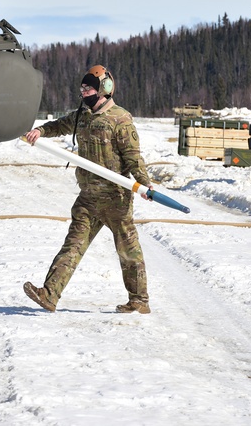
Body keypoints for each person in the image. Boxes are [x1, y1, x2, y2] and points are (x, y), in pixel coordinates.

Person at [23, 64, 154, 314]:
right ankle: (49, 295)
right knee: (73, 245)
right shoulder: (81, 115)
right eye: (82, 88)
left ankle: (139, 301)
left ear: (105, 89)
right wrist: (40, 131)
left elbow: (133, 157)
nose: (84, 93)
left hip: (116, 198)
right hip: (88, 198)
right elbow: (59, 125)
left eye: (88, 88)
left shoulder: (120, 119)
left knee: (128, 250)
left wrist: (144, 182)